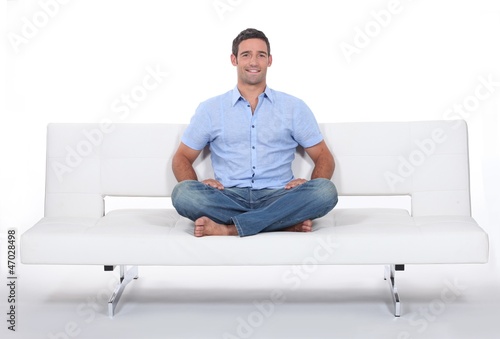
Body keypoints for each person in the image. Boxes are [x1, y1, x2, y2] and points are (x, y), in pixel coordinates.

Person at [171, 28, 338, 237]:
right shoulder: (210, 109)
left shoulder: (294, 107)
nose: (253, 62)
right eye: (246, 55)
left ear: (269, 60)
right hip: (228, 196)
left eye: (261, 55)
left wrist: (310, 183)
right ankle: (279, 222)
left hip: (280, 195)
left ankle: (231, 229)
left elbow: (324, 156)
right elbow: (181, 157)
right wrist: (198, 184)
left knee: (324, 191)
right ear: (234, 60)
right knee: (184, 194)